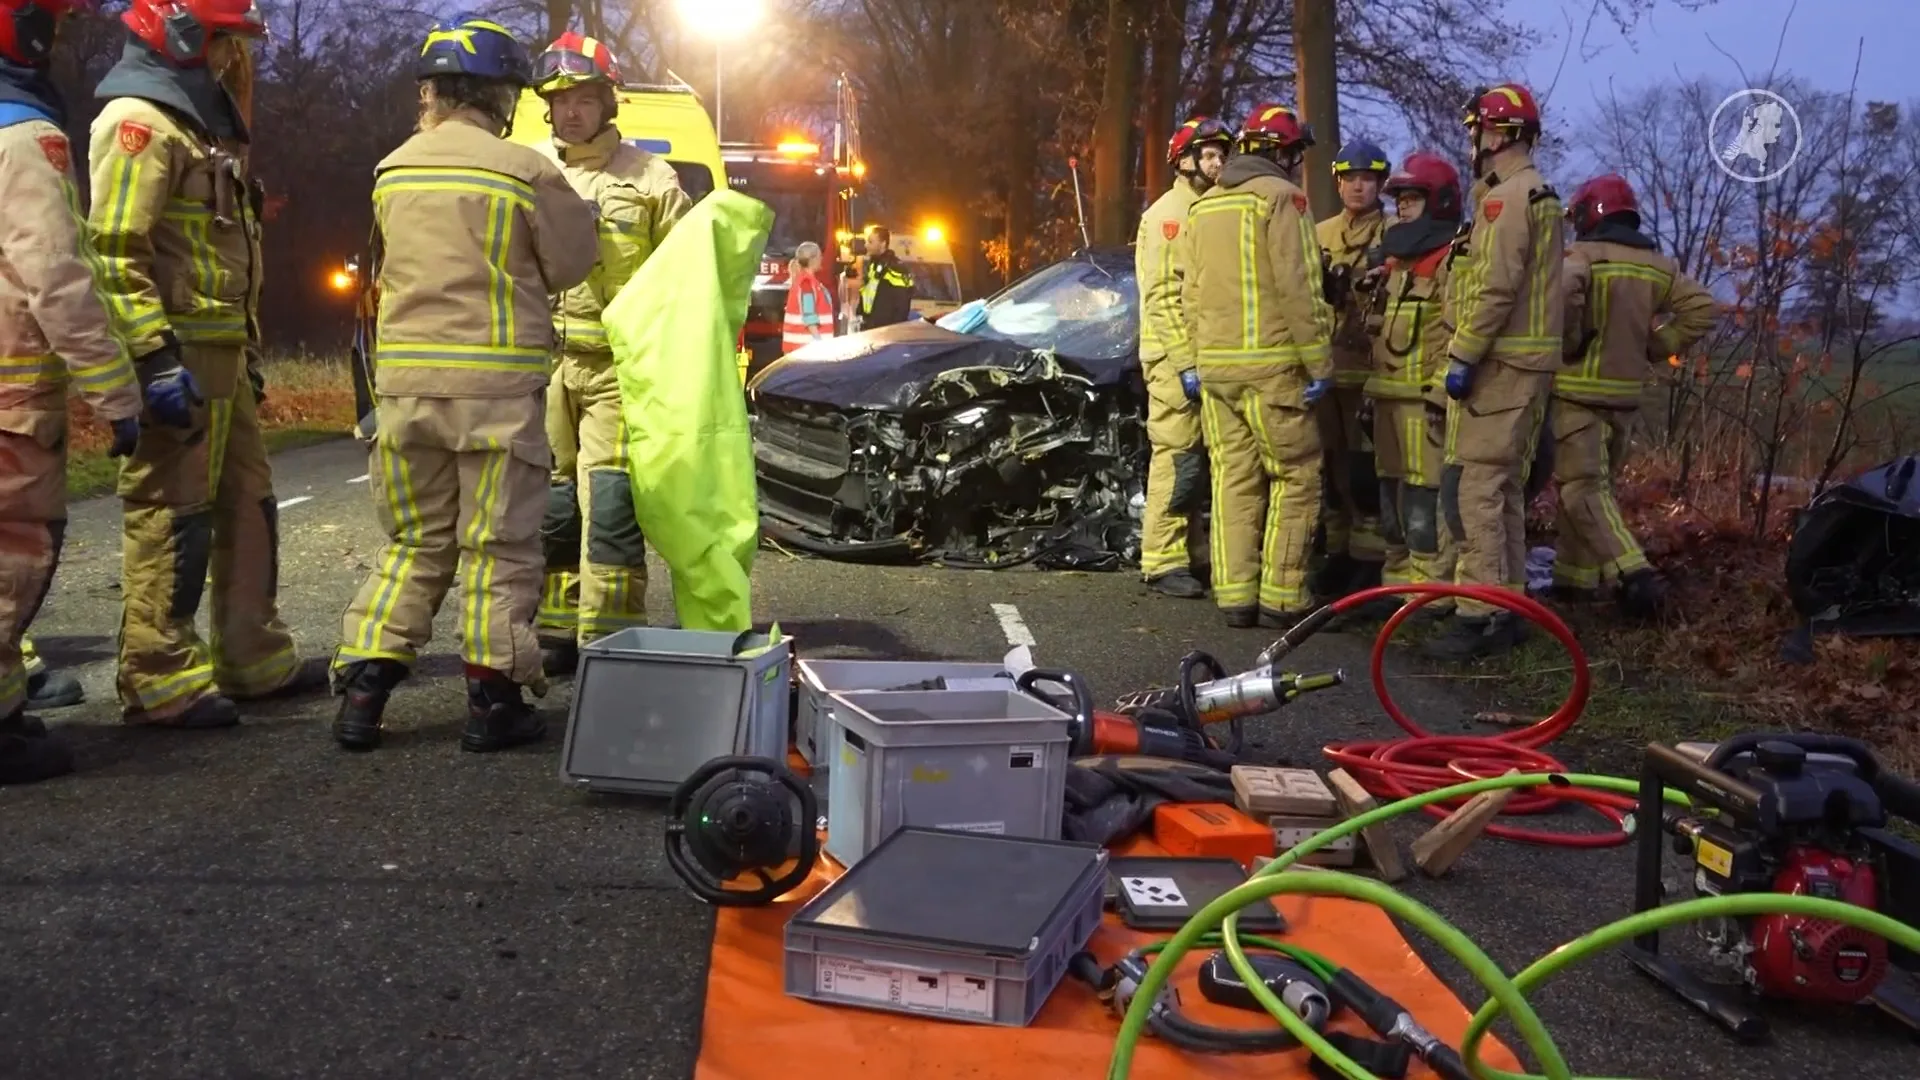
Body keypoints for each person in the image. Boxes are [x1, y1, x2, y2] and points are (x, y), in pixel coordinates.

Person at [330, 16, 597, 752]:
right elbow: (573, 262)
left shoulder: (394, 168)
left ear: (433, 93)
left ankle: (361, 689)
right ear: (500, 97)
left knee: (415, 545)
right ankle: (493, 701)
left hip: (407, 392)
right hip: (495, 399)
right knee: (499, 548)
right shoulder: (524, 170)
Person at [88, 0, 329, 727]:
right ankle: (159, 677)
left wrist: (247, 351)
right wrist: (153, 358)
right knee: (174, 516)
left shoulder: (195, 131)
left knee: (248, 508)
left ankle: (253, 658)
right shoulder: (138, 126)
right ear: (185, 35)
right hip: (179, 356)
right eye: (227, 41)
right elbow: (113, 254)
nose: (235, 59)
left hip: (222, 350)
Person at [0, 0, 161, 782]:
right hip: (10, 397)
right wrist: (117, 396)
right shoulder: (28, 140)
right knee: (12, 558)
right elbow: (59, 284)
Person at [529, 31, 691, 676]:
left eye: (584, 98)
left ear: (607, 103)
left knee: (612, 503)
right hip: (543, 369)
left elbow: (683, 279)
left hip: (617, 370)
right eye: (560, 98)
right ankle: (558, 626)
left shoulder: (653, 180)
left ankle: (613, 637)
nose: (571, 111)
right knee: (553, 502)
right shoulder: (533, 171)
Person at [1180, 103, 1336, 628]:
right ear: (1283, 153)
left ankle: (1235, 596)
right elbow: (1300, 288)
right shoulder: (1281, 200)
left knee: (1232, 479)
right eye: (1294, 153)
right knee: (1295, 476)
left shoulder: (1203, 208)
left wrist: (1196, 361)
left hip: (1217, 372)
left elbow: (1190, 294)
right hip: (1272, 370)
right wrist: (1320, 365)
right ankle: (1284, 597)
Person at [1426, 83, 1564, 662]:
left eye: (1478, 130)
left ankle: (1476, 615)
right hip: (1523, 366)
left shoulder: (1507, 200)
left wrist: (1462, 356)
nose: (1474, 141)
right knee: (1503, 491)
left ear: (1494, 133)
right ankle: (1505, 609)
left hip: (1498, 365)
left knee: (1475, 491)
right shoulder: (1537, 194)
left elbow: (1494, 288)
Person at [1553, 173, 1717, 617]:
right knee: (1594, 488)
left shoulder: (1579, 255)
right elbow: (1702, 308)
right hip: (1624, 395)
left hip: (1574, 391)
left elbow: (1566, 294)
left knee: (1580, 491)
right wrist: (1658, 345)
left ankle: (1636, 577)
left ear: (1588, 213)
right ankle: (1574, 581)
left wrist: (1566, 342)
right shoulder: (1657, 266)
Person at [1134, 115, 1232, 600]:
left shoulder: (1207, 207)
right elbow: (1163, 297)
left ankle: (1191, 553)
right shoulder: (1171, 215)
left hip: (1201, 357)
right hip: (1175, 359)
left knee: (1196, 461)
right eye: (1208, 154)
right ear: (1184, 159)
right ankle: (1162, 559)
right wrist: (1185, 362)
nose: (1216, 163)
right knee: (1177, 459)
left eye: (1220, 154)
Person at [1364, 152, 1466, 622]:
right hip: (1387, 398)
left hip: (1424, 404)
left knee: (1426, 501)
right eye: (1400, 199)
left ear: (1439, 202)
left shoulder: (1451, 260)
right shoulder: (1397, 263)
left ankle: (1431, 593)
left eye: (1412, 198)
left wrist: (1441, 392)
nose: (1401, 207)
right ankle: (1398, 586)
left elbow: (1458, 329)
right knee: (1391, 500)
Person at [1314, 140, 1392, 603]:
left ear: (1380, 182)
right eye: (1350, 178)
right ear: (1338, 182)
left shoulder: (1395, 232)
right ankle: (1338, 554)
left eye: (1366, 178)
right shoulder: (1319, 232)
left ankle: (1370, 563)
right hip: (1326, 367)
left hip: (1370, 370)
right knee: (1331, 464)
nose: (1358, 185)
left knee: (1366, 471)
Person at [857, 225, 915, 330]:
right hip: (870, 326)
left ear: (883, 244)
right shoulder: (874, 264)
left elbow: (902, 304)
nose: (866, 245)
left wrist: (895, 330)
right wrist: (860, 313)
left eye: (870, 242)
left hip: (885, 329)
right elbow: (869, 294)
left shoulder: (895, 268)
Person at [782, 241, 835, 354]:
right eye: (820, 256)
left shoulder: (805, 281)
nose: (822, 259)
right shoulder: (806, 284)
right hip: (806, 349)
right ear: (813, 259)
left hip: (801, 349)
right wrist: (821, 345)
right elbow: (809, 317)